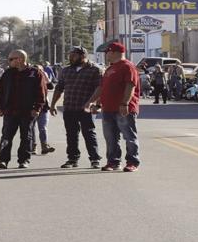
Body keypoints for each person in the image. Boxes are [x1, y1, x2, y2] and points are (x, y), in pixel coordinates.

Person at [48, 45, 103, 169]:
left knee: (89, 133)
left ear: (83, 56)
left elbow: (100, 89)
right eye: (70, 55)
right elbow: (59, 88)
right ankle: (72, 159)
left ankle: (94, 159)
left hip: (86, 108)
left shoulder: (95, 70)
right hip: (69, 107)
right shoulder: (66, 70)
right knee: (71, 134)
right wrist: (53, 105)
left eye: (74, 55)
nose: (71, 57)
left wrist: (97, 105)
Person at [0, 48, 48, 169]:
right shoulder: (8, 73)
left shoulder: (35, 73)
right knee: (6, 136)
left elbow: (42, 92)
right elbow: (0, 92)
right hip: (10, 111)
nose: (9, 61)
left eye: (11, 59)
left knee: (26, 137)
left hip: (28, 112)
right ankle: (2, 160)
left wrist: (37, 108)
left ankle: (24, 160)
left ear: (20, 59)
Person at [92, 41, 141, 171]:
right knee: (111, 137)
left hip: (123, 108)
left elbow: (130, 85)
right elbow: (103, 88)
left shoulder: (127, 66)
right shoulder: (110, 68)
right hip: (108, 108)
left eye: (107, 52)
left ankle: (132, 162)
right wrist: (97, 104)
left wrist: (124, 103)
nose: (106, 55)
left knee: (129, 136)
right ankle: (113, 162)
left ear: (113, 52)